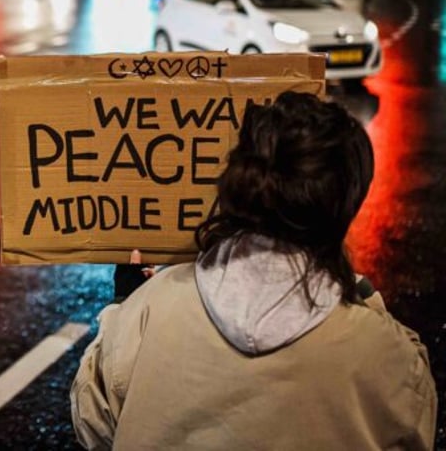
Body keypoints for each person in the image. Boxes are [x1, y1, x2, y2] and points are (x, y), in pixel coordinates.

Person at [70, 90, 437, 450]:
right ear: (343, 205)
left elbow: (93, 425)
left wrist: (123, 307)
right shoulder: (386, 355)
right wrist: (365, 301)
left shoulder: (147, 313)